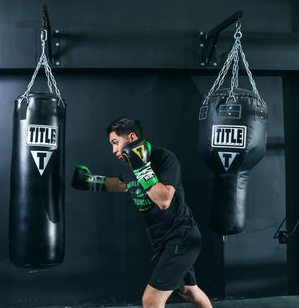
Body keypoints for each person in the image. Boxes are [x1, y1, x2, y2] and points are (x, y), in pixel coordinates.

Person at [72, 117, 213, 308]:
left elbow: (163, 200)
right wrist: (92, 182)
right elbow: (122, 185)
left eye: (116, 143)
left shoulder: (164, 158)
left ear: (131, 137)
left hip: (181, 237)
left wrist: (141, 168)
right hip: (161, 240)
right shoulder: (125, 164)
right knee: (189, 292)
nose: (114, 150)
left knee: (151, 300)